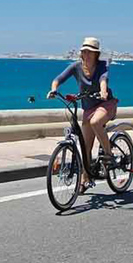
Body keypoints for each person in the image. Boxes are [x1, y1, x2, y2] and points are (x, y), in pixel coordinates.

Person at [47, 37, 118, 193]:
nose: (86, 55)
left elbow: (103, 79)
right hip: (88, 107)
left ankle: (108, 154)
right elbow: (58, 79)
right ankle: (85, 179)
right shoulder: (76, 67)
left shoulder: (102, 66)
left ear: (96, 54)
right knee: (85, 147)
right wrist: (54, 89)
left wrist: (103, 91)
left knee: (95, 122)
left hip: (105, 103)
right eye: (84, 52)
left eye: (90, 52)